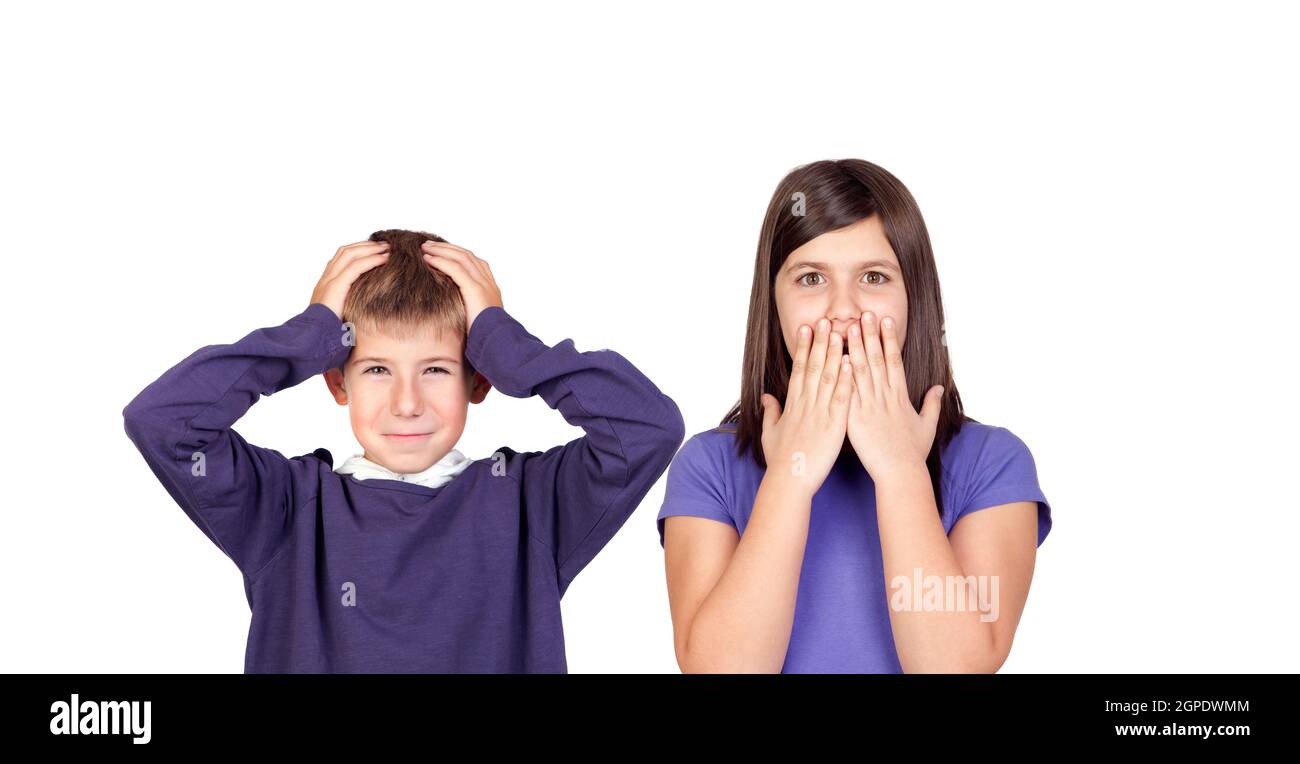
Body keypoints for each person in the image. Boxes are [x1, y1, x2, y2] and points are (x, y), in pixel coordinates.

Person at [123, 229, 685, 672]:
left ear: (480, 379)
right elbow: (162, 421)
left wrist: (505, 343)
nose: (407, 403)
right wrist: (307, 335)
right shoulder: (284, 511)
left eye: (436, 369)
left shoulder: (530, 506)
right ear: (337, 382)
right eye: (376, 370)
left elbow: (646, 429)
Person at [657, 160, 1052, 673]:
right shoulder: (709, 464)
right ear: (771, 303)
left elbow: (954, 668)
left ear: (916, 297)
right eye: (811, 277)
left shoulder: (992, 462)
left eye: (873, 276)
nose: (842, 309)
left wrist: (900, 469)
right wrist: (790, 478)